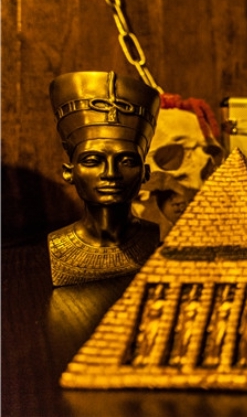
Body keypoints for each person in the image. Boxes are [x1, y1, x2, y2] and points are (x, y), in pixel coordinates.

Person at [47, 71, 161, 287]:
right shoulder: (56, 245)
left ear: (145, 173)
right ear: (69, 172)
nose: (110, 173)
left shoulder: (154, 237)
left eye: (127, 161)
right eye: (92, 160)